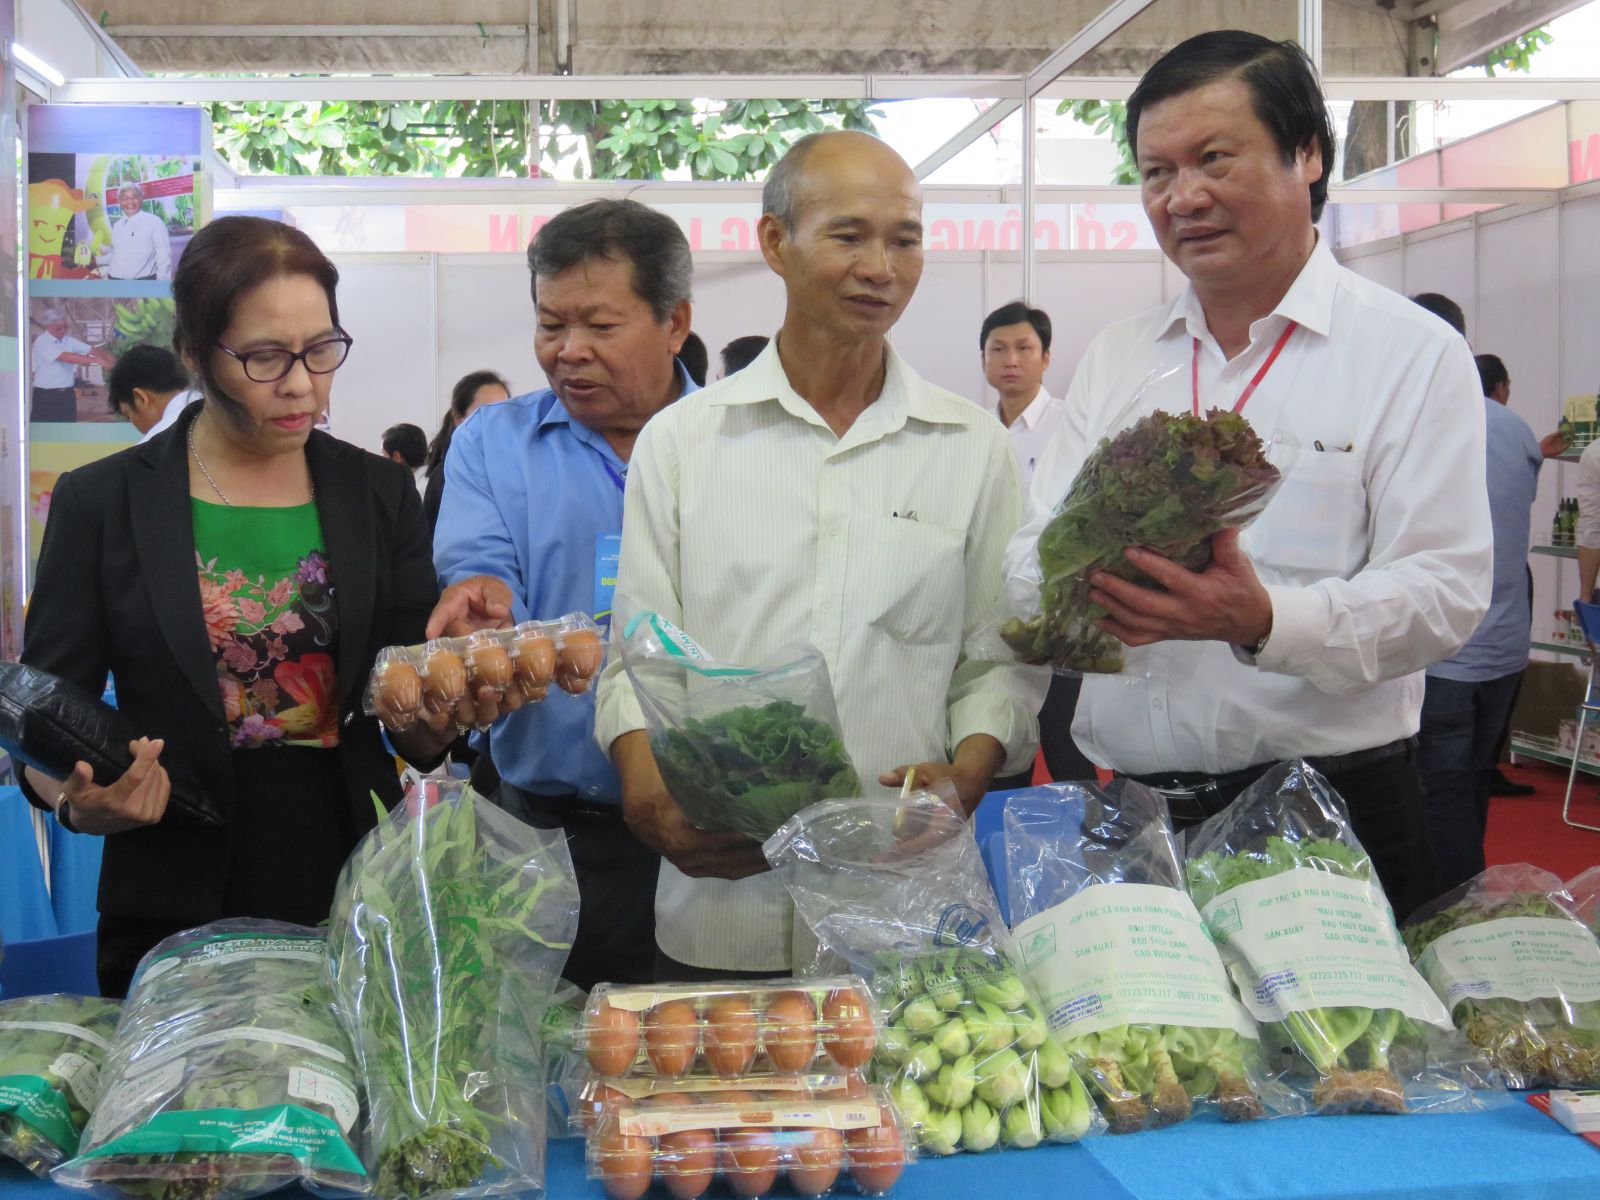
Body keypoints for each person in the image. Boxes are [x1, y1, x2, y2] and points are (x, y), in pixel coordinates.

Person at [1005, 31, 1492, 922]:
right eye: (1156, 172)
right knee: (1140, 1064)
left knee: (1342, 1066)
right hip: (1130, 817)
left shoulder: (1409, 354)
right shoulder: (1119, 357)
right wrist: (1067, 589)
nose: (1183, 196)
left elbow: (1446, 591)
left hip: (1327, 817)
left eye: (1214, 160)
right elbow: (1037, 543)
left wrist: (1267, 621)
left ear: (1306, 153)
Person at [593, 131, 1042, 979]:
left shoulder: (970, 445)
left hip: (902, 906)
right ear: (775, 243)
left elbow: (1000, 658)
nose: (882, 265)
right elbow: (634, 657)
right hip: (721, 903)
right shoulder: (685, 442)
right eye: (849, 235)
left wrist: (973, 767)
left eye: (904, 238)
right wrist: (646, 794)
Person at [19, 215, 464, 996]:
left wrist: (442, 713)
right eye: (265, 357)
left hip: (355, 878)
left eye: (322, 349)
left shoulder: (377, 493)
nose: (301, 383)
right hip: (172, 878)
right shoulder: (106, 502)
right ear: (196, 353)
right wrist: (76, 803)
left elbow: (407, 702)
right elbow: (47, 709)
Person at [424, 199, 695, 991]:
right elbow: (477, 565)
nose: (568, 352)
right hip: (538, 838)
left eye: (600, 328)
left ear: (674, 322)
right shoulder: (494, 443)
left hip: (705, 847)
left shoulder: (742, 444)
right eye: (550, 326)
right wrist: (479, 603)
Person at [1417, 349, 1546, 891]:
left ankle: (1456, 903)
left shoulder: (1430, 424)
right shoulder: (1518, 432)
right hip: (1506, 644)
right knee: (1470, 778)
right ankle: (1466, 893)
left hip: (1449, 646)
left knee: (1439, 785)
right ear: (1503, 387)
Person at [422, 371, 511, 537]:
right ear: (458, 419)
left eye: (505, 410)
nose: (498, 420)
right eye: (486, 412)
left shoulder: (512, 467)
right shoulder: (448, 476)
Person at [31, 307, 113, 422]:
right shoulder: (42, 342)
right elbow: (67, 357)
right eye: (59, 328)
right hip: (46, 396)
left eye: (65, 326)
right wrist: (98, 361)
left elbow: (90, 349)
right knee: (44, 431)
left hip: (67, 395)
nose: (63, 330)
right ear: (47, 327)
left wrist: (108, 356)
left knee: (68, 429)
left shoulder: (68, 340)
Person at [108, 344, 197, 440]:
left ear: (141, 398)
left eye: (128, 416)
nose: (132, 423)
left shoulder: (154, 446)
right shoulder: (210, 408)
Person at [100, 184, 173, 281]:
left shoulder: (154, 222)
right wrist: (95, 260)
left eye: (134, 197)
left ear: (141, 198)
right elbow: (116, 254)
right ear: (119, 201)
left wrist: (161, 287)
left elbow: (164, 258)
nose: (129, 202)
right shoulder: (117, 225)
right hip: (115, 282)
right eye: (124, 198)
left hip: (143, 283)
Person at [381, 421, 428, 489]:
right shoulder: (431, 477)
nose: (381, 458)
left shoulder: (418, 490)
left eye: (384, 454)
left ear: (397, 457)